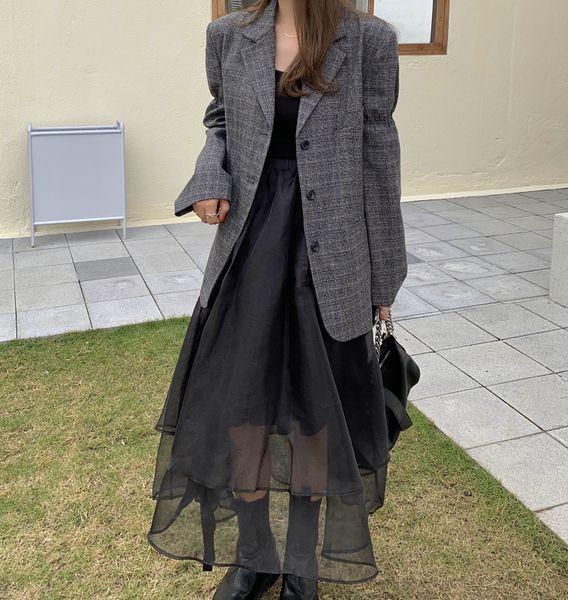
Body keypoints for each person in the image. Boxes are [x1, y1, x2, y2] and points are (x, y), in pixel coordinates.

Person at [147, 0, 407, 598]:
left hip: (331, 258)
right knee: (246, 405)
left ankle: (301, 563)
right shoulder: (228, 35)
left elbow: (379, 154)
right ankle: (255, 555)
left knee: (314, 414)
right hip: (251, 249)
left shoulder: (369, 41)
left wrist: (384, 276)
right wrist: (210, 177)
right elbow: (220, 121)